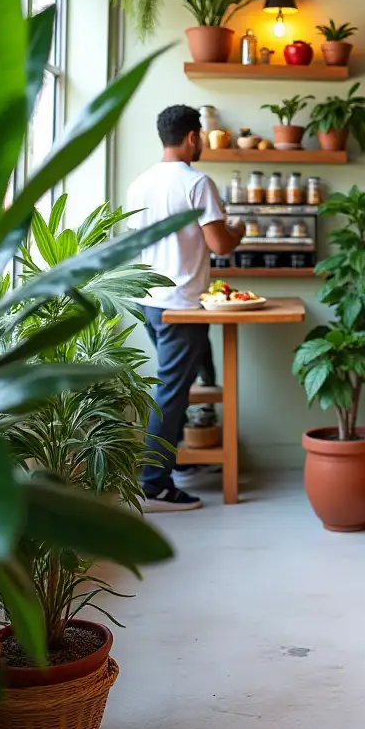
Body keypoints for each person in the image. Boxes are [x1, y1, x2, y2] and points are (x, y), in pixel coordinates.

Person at [127, 105, 245, 511]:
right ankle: (154, 484)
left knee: (189, 377)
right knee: (172, 392)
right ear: (193, 136)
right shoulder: (197, 182)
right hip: (181, 305)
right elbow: (220, 245)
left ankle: (178, 461)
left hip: (149, 300)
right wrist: (238, 229)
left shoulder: (140, 184)